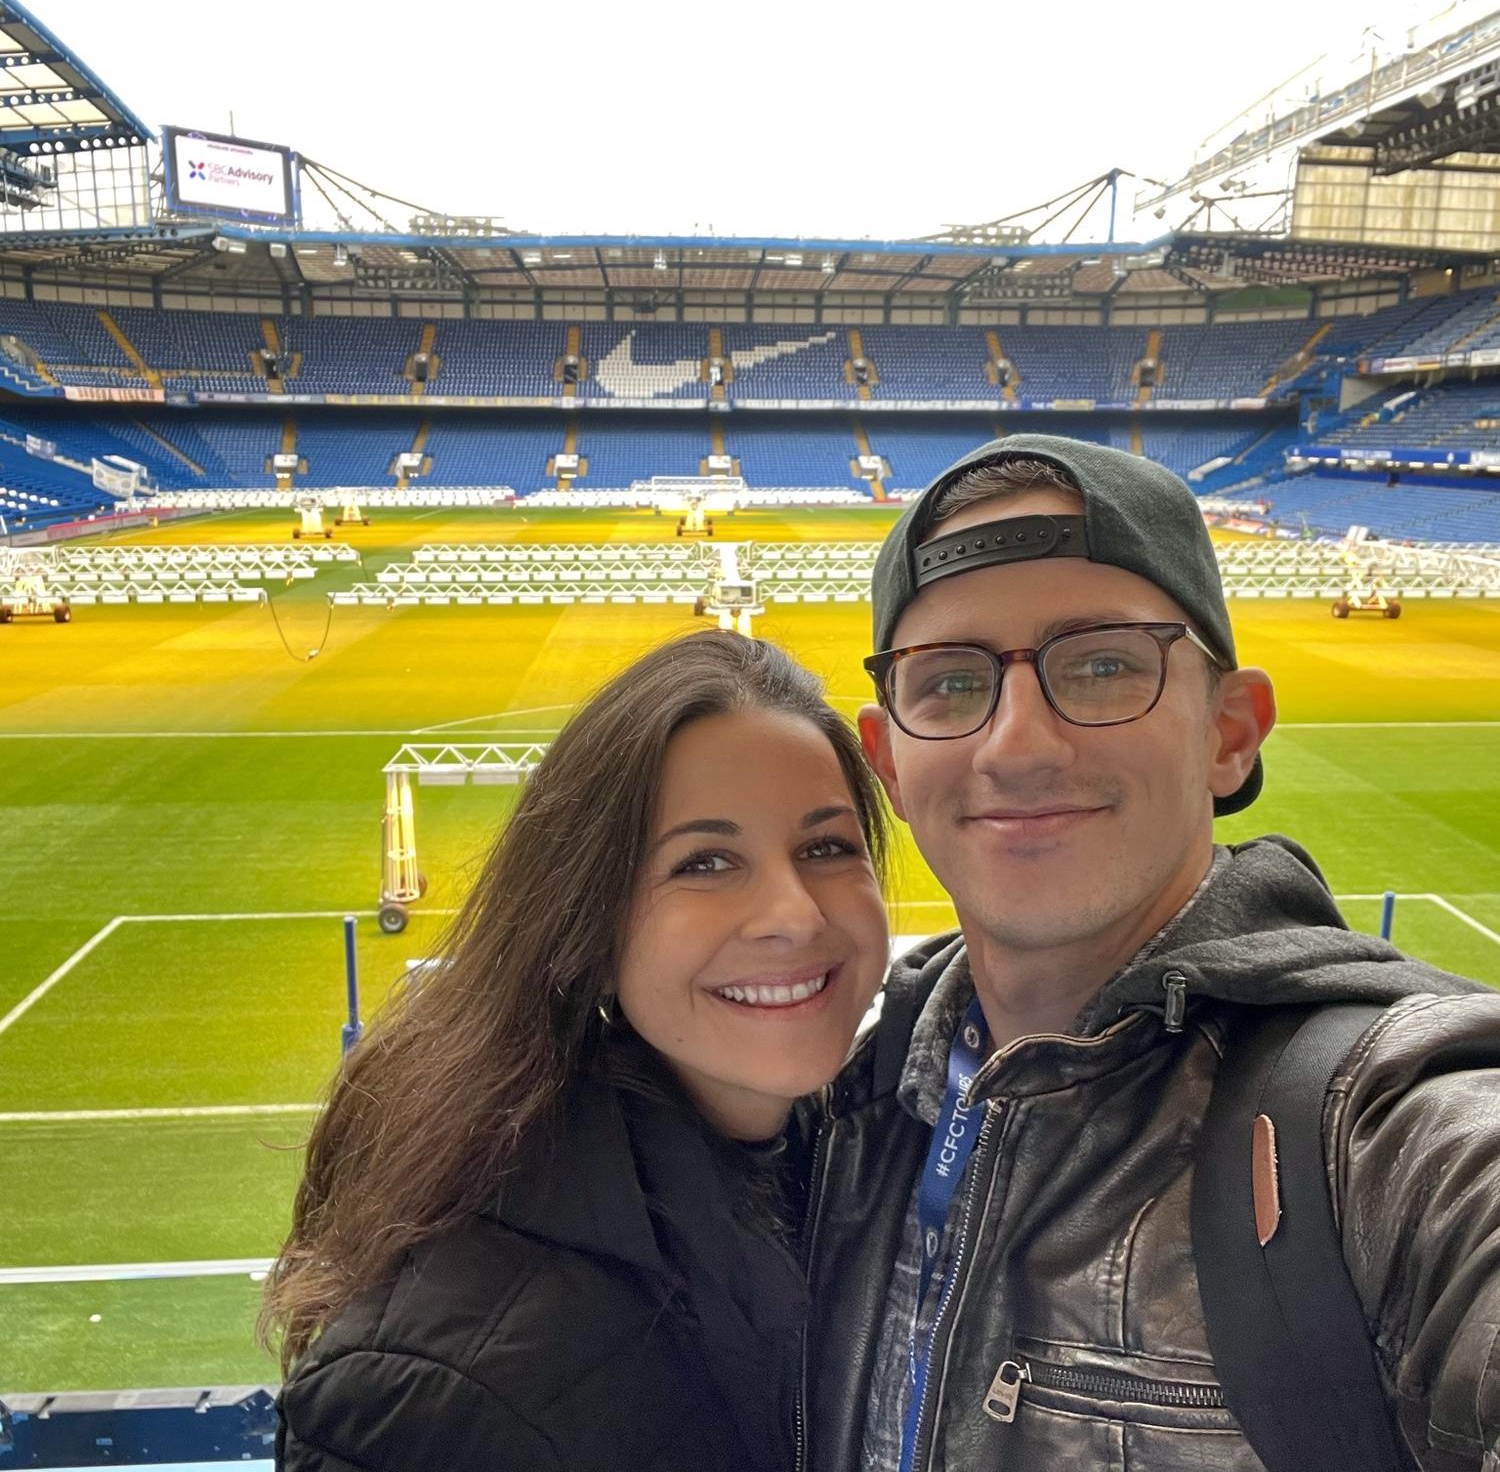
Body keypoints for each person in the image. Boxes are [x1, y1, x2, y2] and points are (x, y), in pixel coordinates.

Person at [801, 433, 1500, 1472]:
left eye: (1100, 665)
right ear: (890, 767)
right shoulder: (837, 1104)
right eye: (949, 684)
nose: (1020, 744)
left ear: (1229, 733)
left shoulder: (1382, 1128)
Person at [265, 629, 891, 1472]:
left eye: (826, 848)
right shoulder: (443, 1395)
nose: (796, 914)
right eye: (705, 862)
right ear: (588, 916)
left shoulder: (854, 1169)